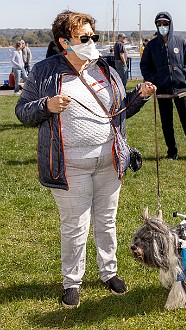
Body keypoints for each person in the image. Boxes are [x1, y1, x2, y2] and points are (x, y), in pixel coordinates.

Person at [15, 10, 156, 308]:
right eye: (84, 37)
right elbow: (23, 111)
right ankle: (72, 282)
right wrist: (47, 105)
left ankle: (109, 272)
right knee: (75, 227)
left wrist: (139, 95)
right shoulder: (44, 72)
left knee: (107, 222)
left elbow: (118, 112)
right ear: (64, 42)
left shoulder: (105, 69)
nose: (91, 41)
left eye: (94, 36)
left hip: (110, 163)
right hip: (69, 168)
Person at [140, 12, 186, 161]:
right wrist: (155, 79)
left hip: (181, 90)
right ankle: (172, 152)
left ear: (170, 24)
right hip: (162, 91)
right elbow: (145, 66)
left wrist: (185, 74)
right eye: (159, 24)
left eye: (165, 23)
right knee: (167, 124)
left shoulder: (180, 42)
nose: (162, 26)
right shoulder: (151, 46)